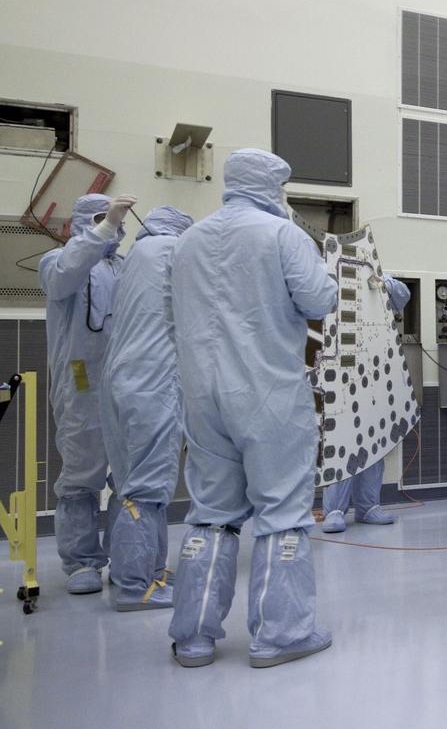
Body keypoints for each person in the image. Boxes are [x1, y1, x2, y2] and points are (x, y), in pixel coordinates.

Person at [167, 149, 337, 669]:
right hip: (267, 394)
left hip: (202, 396)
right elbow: (319, 301)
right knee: (282, 512)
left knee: (213, 515)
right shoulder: (280, 234)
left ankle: (193, 638)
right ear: (274, 188)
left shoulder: (189, 240)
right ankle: (280, 635)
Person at [39, 192, 136, 595]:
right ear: (84, 222)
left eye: (116, 219)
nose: (116, 226)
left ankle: (126, 555)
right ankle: (81, 561)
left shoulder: (124, 268)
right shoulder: (57, 261)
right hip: (80, 382)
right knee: (81, 473)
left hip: (126, 382)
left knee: (129, 475)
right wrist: (104, 227)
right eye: (102, 217)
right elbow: (67, 273)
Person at [99, 206, 194, 611]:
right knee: (148, 487)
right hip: (154, 380)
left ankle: (140, 571)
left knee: (127, 482)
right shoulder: (177, 252)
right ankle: (136, 587)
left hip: (118, 377)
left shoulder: (136, 256)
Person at [320, 275, 411, 533]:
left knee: (374, 444)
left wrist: (384, 284)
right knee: (342, 446)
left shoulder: (379, 284)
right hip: (340, 382)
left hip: (375, 379)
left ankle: (368, 507)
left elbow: (403, 295)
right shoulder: (332, 284)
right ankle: (334, 510)